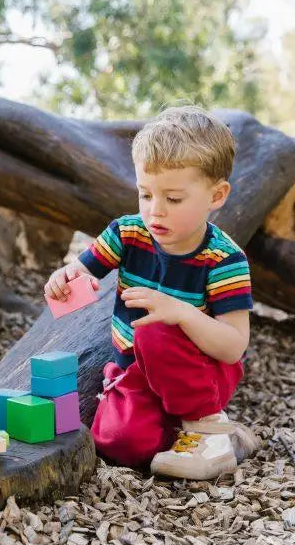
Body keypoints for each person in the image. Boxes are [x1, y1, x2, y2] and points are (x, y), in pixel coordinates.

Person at [44, 105, 260, 480]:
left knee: (154, 329)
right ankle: (208, 437)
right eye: (145, 194)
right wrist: (64, 279)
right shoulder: (129, 233)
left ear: (217, 195)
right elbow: (78, 271)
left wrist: (180, 312)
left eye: (173, 199)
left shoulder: (224, 260)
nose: (154, 211)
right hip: (137, 371)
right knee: (120, 446)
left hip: (199, 375)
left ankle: (207, 427)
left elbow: (232, 347)